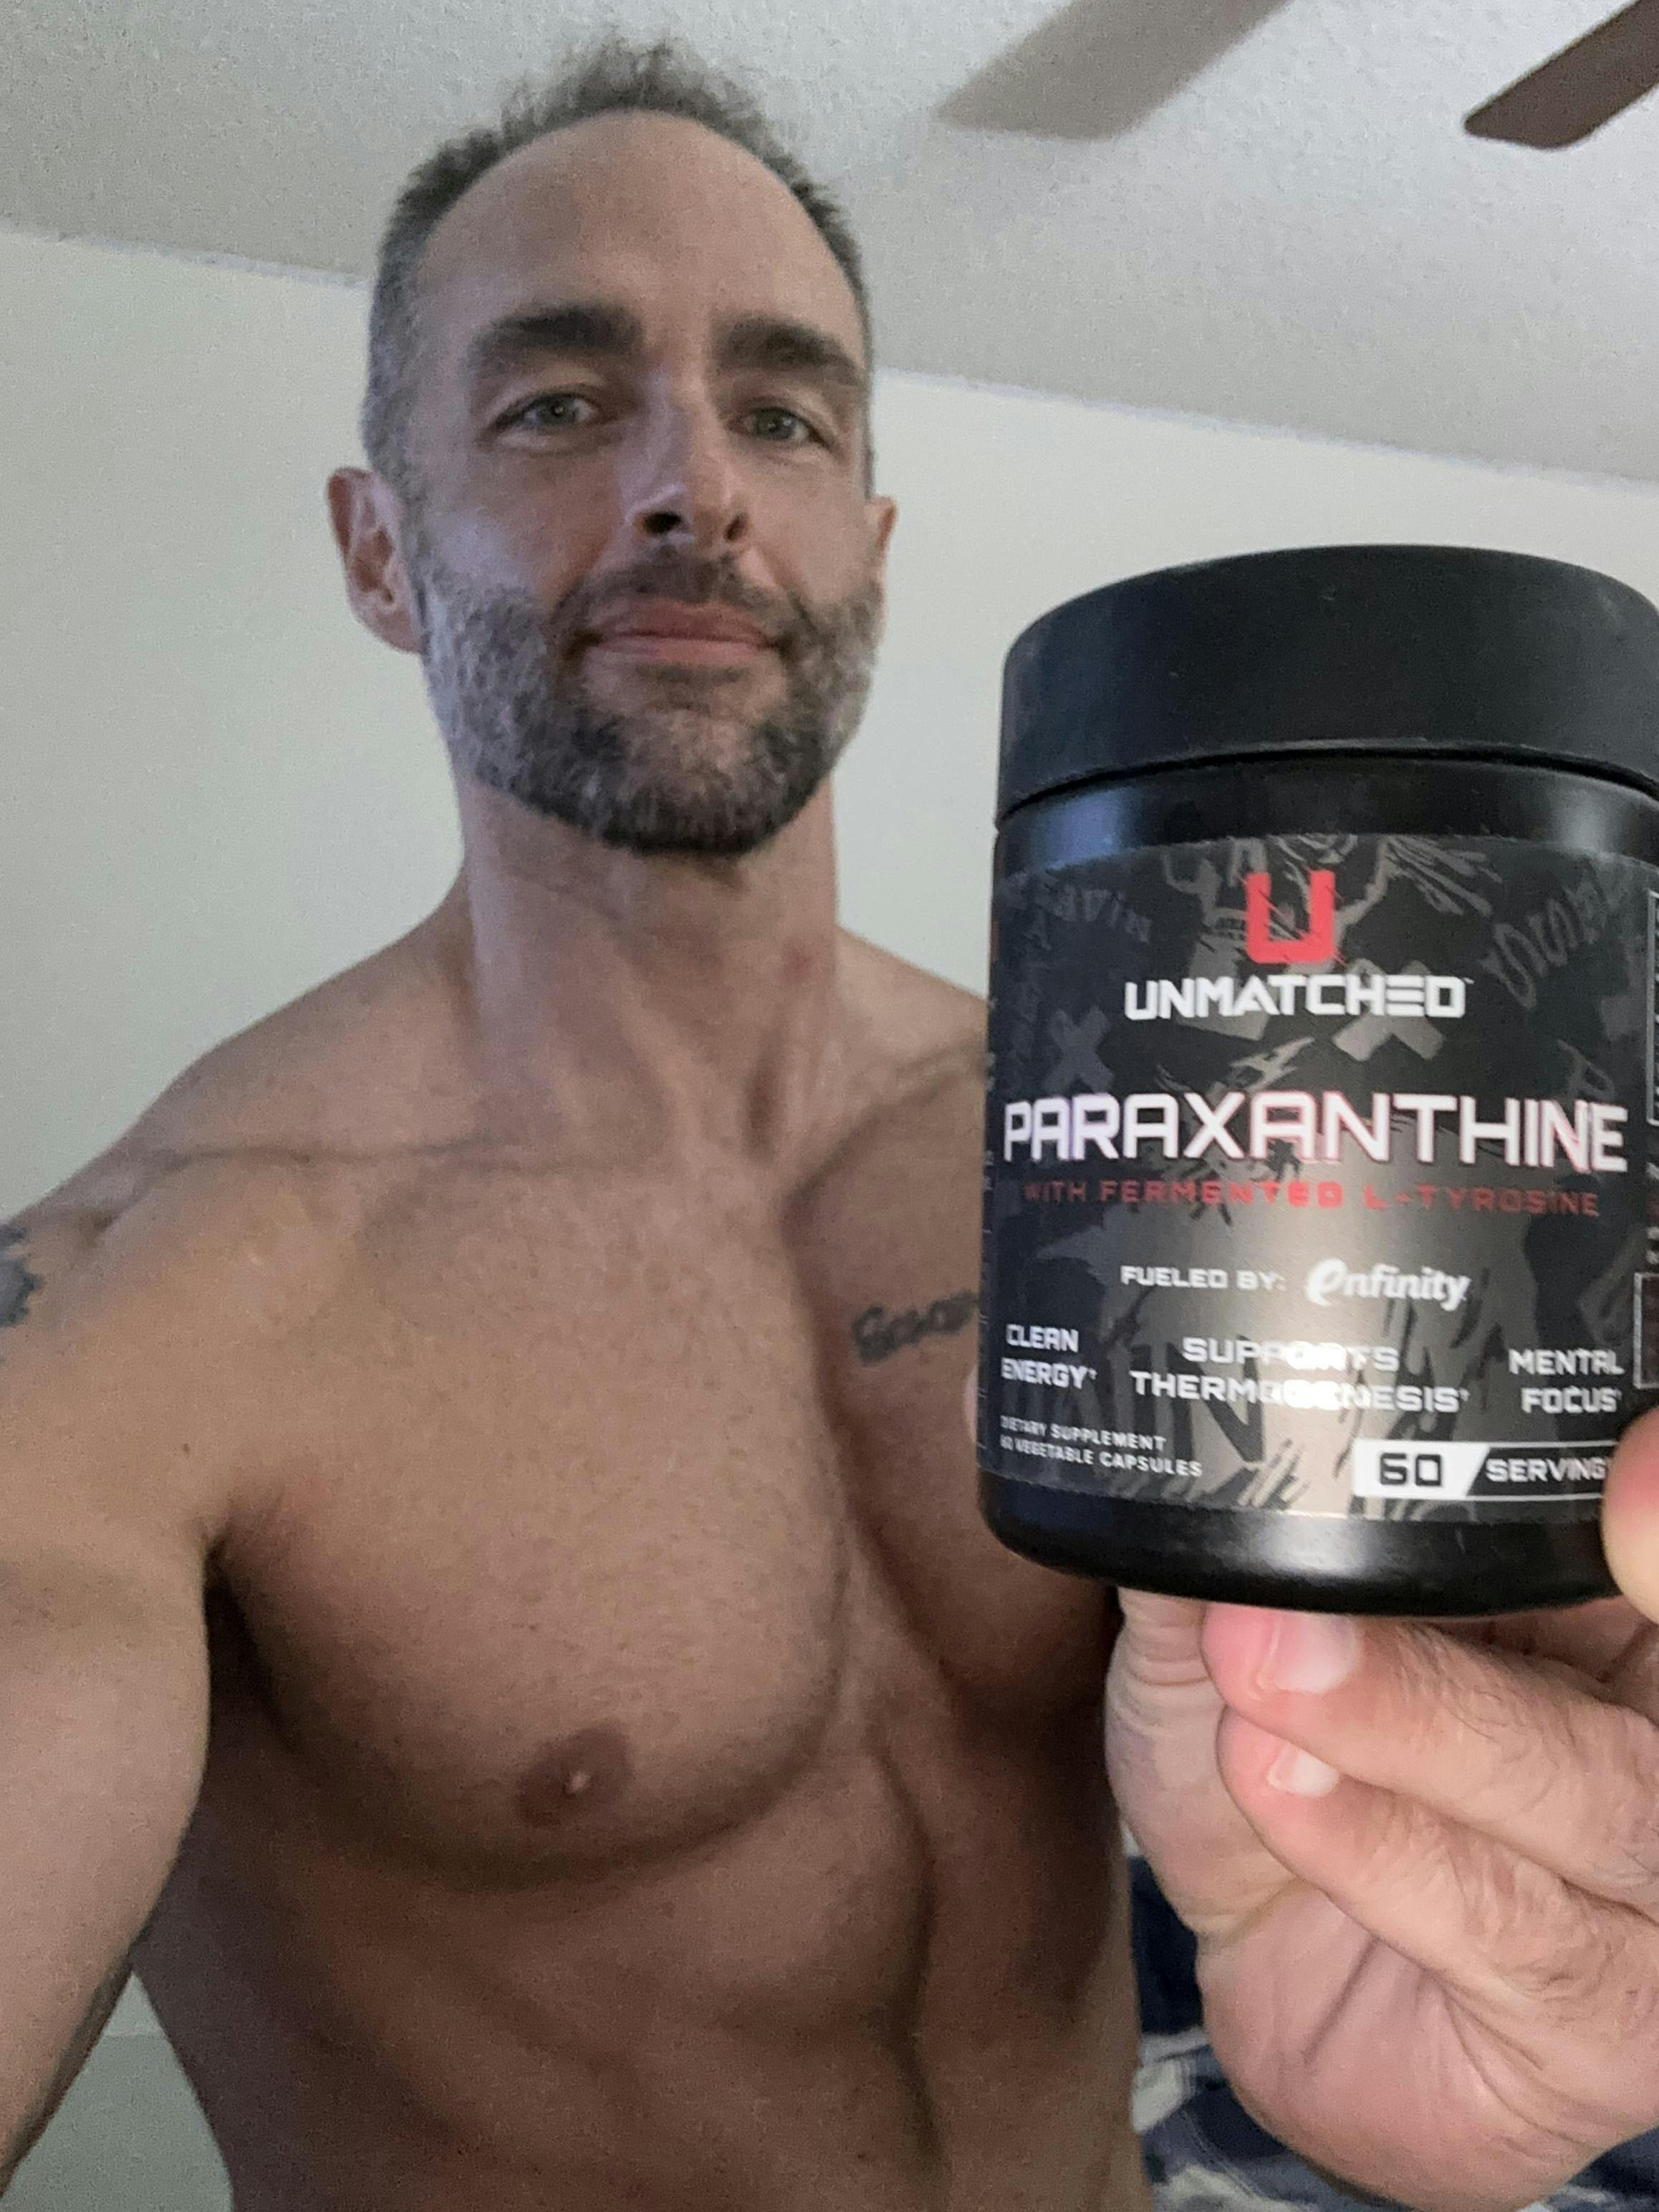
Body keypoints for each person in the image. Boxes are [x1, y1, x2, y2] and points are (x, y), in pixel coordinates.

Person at [6, 34, 1659, 2212]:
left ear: (867, 546)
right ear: (378, 549)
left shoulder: (1139, 1161)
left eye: (785, 413)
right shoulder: (138, 1324)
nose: (697, 485)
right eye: (558, 403)